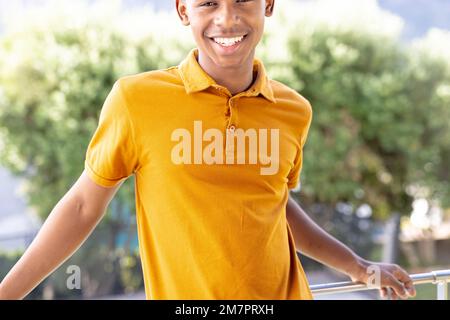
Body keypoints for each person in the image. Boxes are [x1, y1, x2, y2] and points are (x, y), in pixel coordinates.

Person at [0, 0, 416, 300]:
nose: (227, 18)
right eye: (208, 4)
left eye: (241, 1)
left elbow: (274, 206)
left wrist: (361, 268)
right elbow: (81, 208)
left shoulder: (293, 110)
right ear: (183, 10)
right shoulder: (135, 100)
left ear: (268, 4)